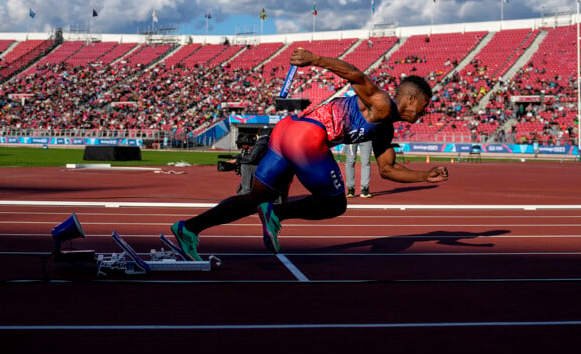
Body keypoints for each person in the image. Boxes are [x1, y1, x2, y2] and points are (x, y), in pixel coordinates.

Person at [170, 47, 449, 261]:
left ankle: (190, 228)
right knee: (335, 204)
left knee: (254, 198)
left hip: (284, 133)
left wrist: (425, 175)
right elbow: (357, 76)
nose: (424, 113)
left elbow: (388, 169)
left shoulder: (384, 129)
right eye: (424, 106)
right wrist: (315, 59)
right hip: (308, 136)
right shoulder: (383, 104)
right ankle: (275, 212)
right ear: (411, 98)